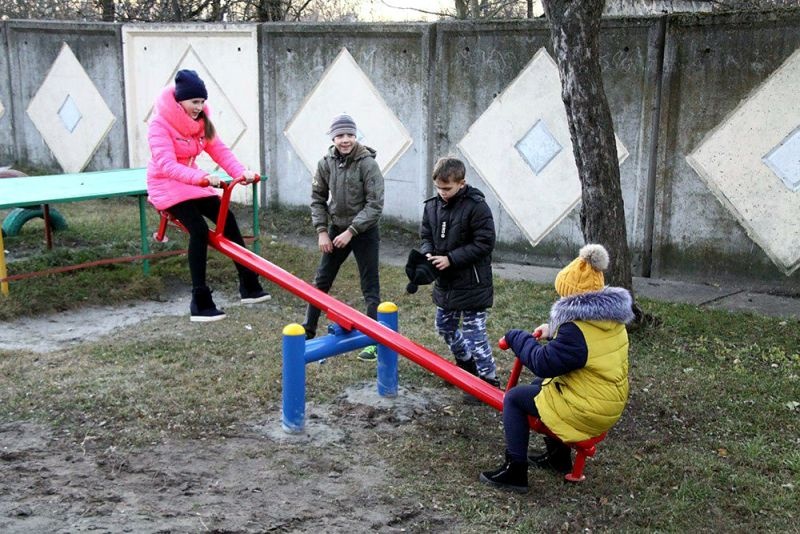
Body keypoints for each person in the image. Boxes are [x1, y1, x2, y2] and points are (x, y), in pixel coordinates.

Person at [479, 244, 634, 493]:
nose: (560, 299)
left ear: (573, 299)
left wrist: (518, 338)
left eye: (563, 296)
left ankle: (515, 471)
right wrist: (552, 330)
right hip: (607, 401)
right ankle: (558, 458)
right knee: (540, 384)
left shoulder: (576, 332)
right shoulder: (610, 320)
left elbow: (543, 361)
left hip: (588, 409)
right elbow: (583, 348)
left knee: (516, 398)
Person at [147, 69, 270, 322]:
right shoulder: (160, 125)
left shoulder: (203, 122)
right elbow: (166, 164)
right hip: (166, 185)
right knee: (199, 230)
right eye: (194, 102)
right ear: (179, 101)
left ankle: (249, 284)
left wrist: (241, 172)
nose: (199, 106)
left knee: (228, 219)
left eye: (202, 101)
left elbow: (219, 151)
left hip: (192, 181)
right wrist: (200, 178)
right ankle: (200, 300)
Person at [301, 113, 385, 362]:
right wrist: (322, 231)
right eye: (339, 135)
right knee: (321, 281)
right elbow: (317, 198)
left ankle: (374, 340)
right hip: (336, 230)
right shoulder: (325, 163)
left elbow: (375, 204)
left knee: (370, 285)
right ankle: (307, 333)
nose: (345, 140)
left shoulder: (368, 163)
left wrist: (352, 231)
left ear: (356, 135)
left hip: (364, 231)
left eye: (349, 134)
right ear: (332, 138)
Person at [419, 156, 499, 392]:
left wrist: (451, 259)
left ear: (461, 183)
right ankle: (465, 364)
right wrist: (427, 254)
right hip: (446, 282)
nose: (442, 192)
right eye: (438, 187)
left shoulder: (477, 207)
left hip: (472, 282)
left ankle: (489, 381)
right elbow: (425, 235)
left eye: (447, 188)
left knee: (475, 333)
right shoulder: (432, 206)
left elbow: (485, 242)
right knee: (444, 326)